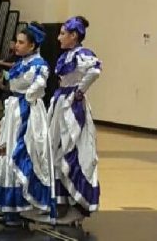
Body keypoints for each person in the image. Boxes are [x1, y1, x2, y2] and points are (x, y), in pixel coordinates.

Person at [0, 22, 55, 226]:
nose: (16, 45)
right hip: (14, 110)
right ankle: (10, 206)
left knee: (24, 153)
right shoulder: (20, 64)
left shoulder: (39, 65)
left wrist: (28, 96)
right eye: (16, 41)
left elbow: (39, 85)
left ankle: (23, 206)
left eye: (21, 42)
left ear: (33, 46)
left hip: (27, 112)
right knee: (6, 153)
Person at [48, 16, 102, 223]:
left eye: (63, 33)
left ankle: (77, 207)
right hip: (61, 104)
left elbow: (95, 70)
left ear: (74, 36)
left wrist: (79, 91)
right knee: (57, 150)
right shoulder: (68, 55)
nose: (59, 37)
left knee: (75, 152)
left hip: (72, 107)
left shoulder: (82, 54)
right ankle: (62, 202)